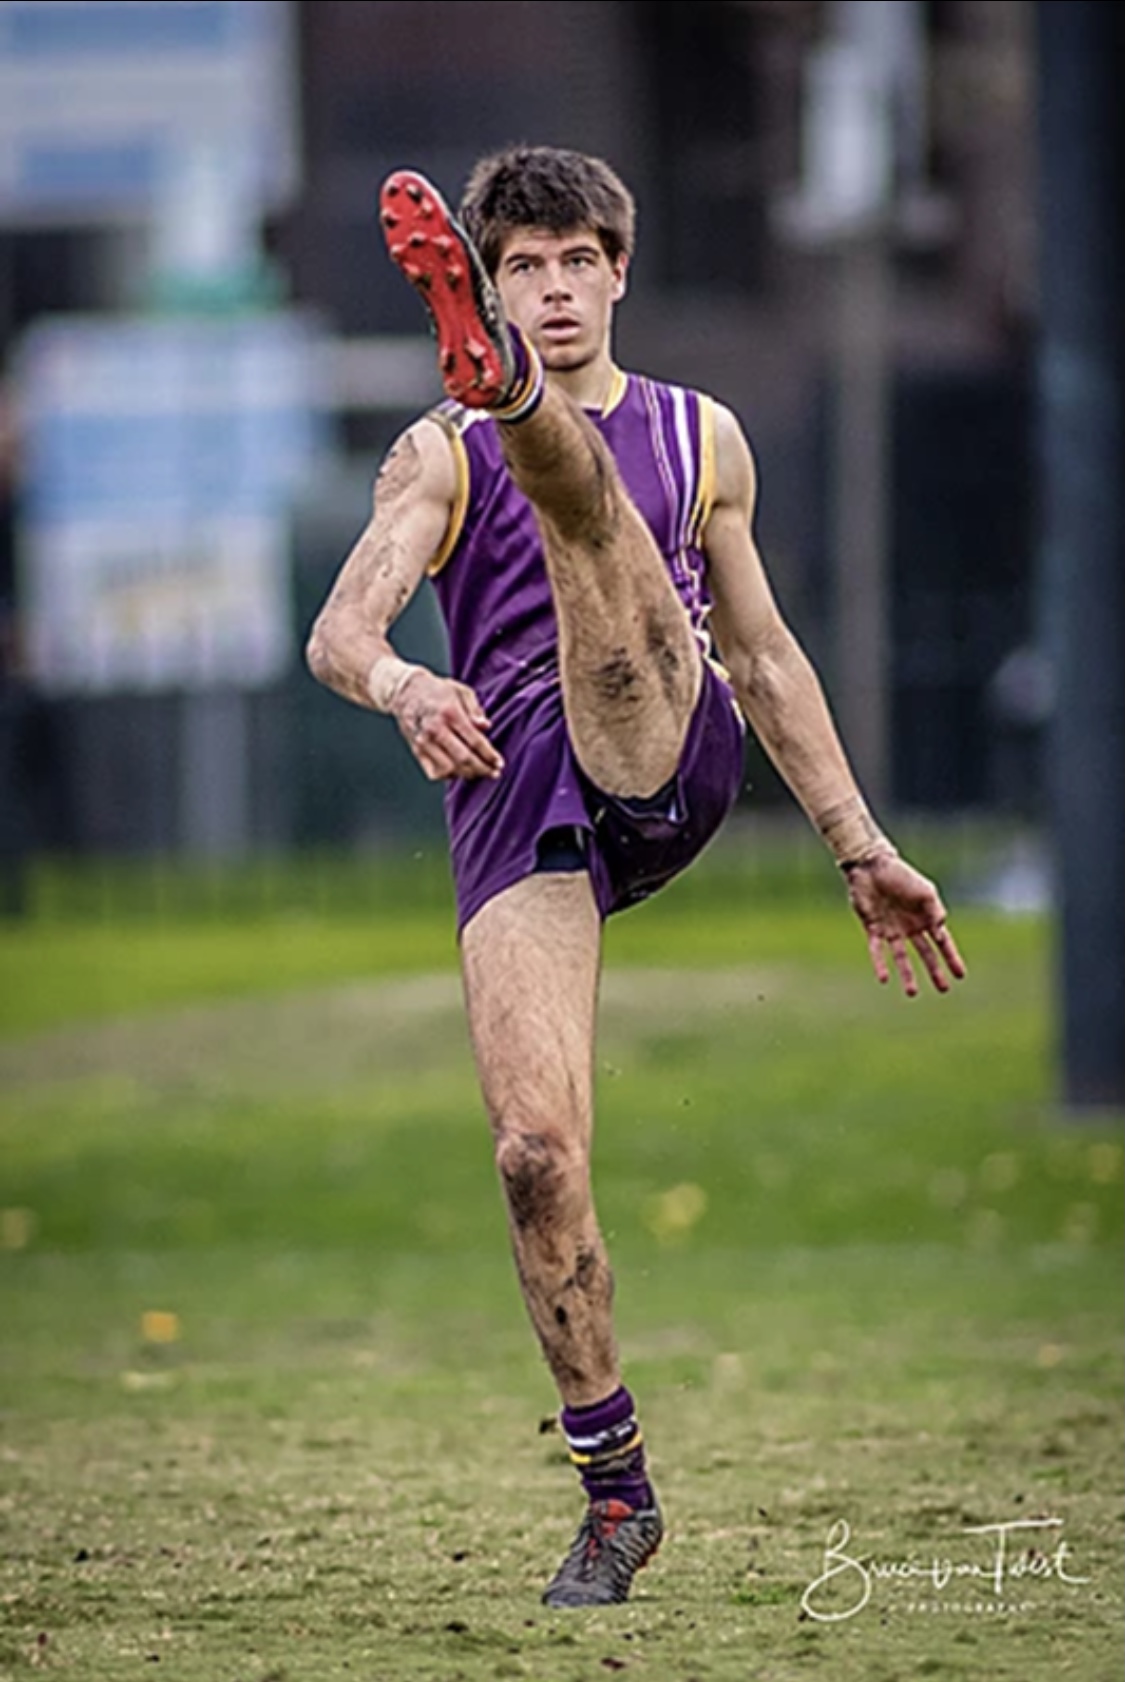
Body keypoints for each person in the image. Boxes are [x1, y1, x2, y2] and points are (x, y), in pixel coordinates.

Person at [306, 146, 966, 1608]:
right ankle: (617, 1496)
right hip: (512, 793)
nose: (549, 288)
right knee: (532, 1157)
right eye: (517, 270)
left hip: (662, 729)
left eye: (569, 263)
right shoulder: (431, 454)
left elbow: (768, 653)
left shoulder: (704, 435)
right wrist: (409, 687)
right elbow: (338, 631)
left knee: (601, 546)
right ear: (488, 288)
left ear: (617, 271)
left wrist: (858, 844)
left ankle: (539, 434)